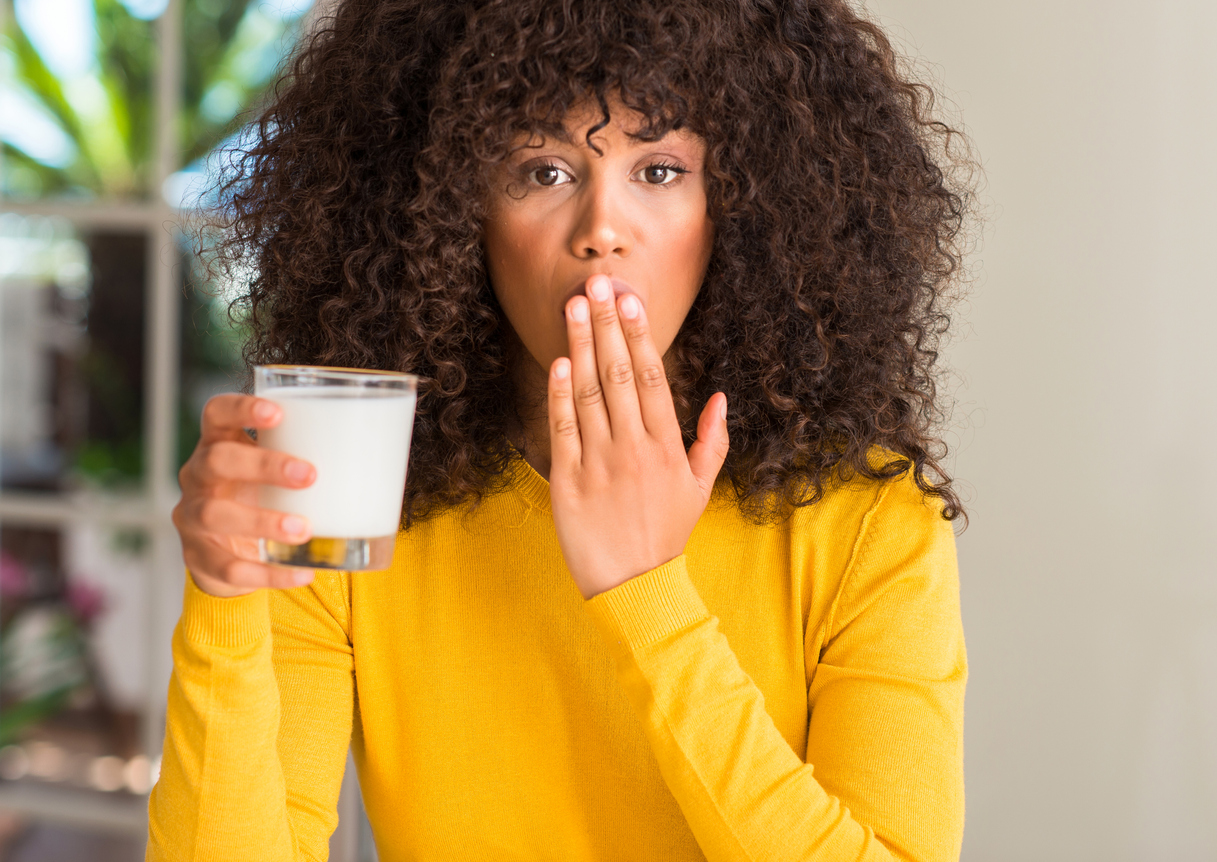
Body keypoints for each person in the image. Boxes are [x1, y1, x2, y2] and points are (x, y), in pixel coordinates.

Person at [148, 0, 975, 859]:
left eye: (658, 171)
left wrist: (644, 589)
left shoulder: (868, 521)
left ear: (745, 205)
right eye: (543, 171)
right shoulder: (353, 488)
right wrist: (225, 598)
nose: (600, 233)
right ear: (445, 206)